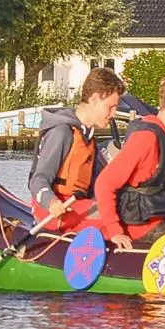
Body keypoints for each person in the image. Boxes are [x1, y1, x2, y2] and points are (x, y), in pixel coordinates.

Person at [92, 73, 165, 249]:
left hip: (160, 219)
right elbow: (104, 183)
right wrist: (115, 231)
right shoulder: (146, 138)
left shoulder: (162, 136)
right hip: (143, 229)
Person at [26, 68, 126, 232]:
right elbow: (38, 180)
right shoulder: (62, 132)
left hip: (77, 205)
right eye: (111, 107)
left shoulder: (89, 139)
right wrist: (51, 202)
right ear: (94, 99)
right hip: (53, 211)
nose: (113, 114)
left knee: (122, 210)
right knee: (111, 217)